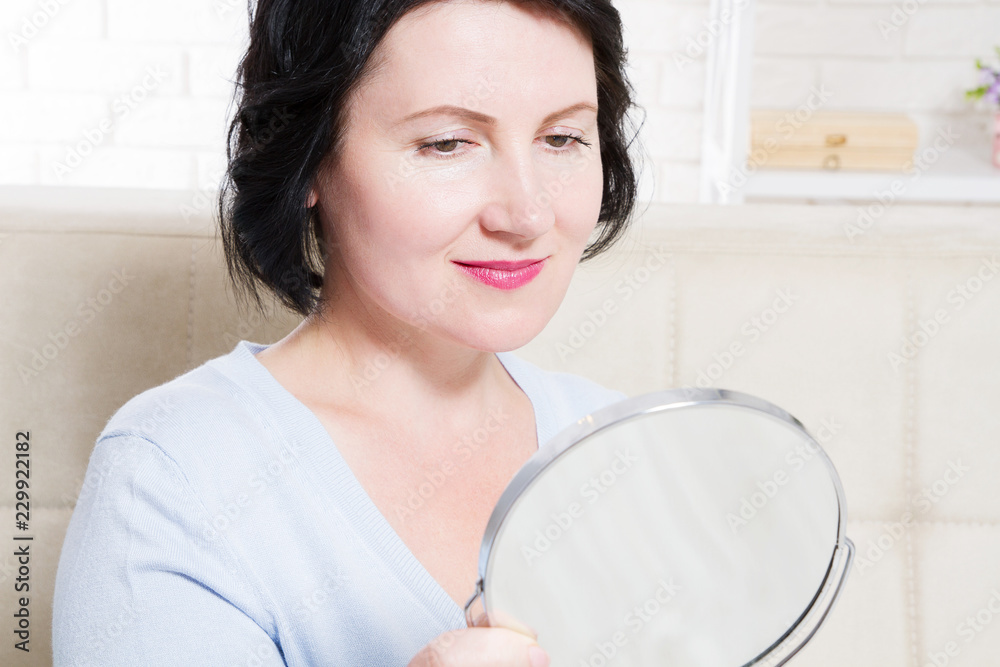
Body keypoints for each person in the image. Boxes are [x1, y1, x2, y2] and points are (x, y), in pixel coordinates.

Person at [51, 0, 641, 664]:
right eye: (447, 142)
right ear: (309, 161)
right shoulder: (171, 475)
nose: (528, 213)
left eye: (562, 138)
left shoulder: (628, 448)